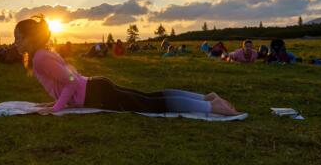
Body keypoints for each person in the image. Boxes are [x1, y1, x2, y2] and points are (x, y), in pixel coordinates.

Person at [14, 16, 240, 115]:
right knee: (149, 97)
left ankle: (212, 107)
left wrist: (56, 109)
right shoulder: (43, 54)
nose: (15, 43)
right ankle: (206, 98)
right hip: (96, 87)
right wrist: (56, 102)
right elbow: (69, 78)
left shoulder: (40, 58)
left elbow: (70, 82)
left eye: (19, 38)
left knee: (151, 104)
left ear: (32, 39)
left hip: (96, 93)